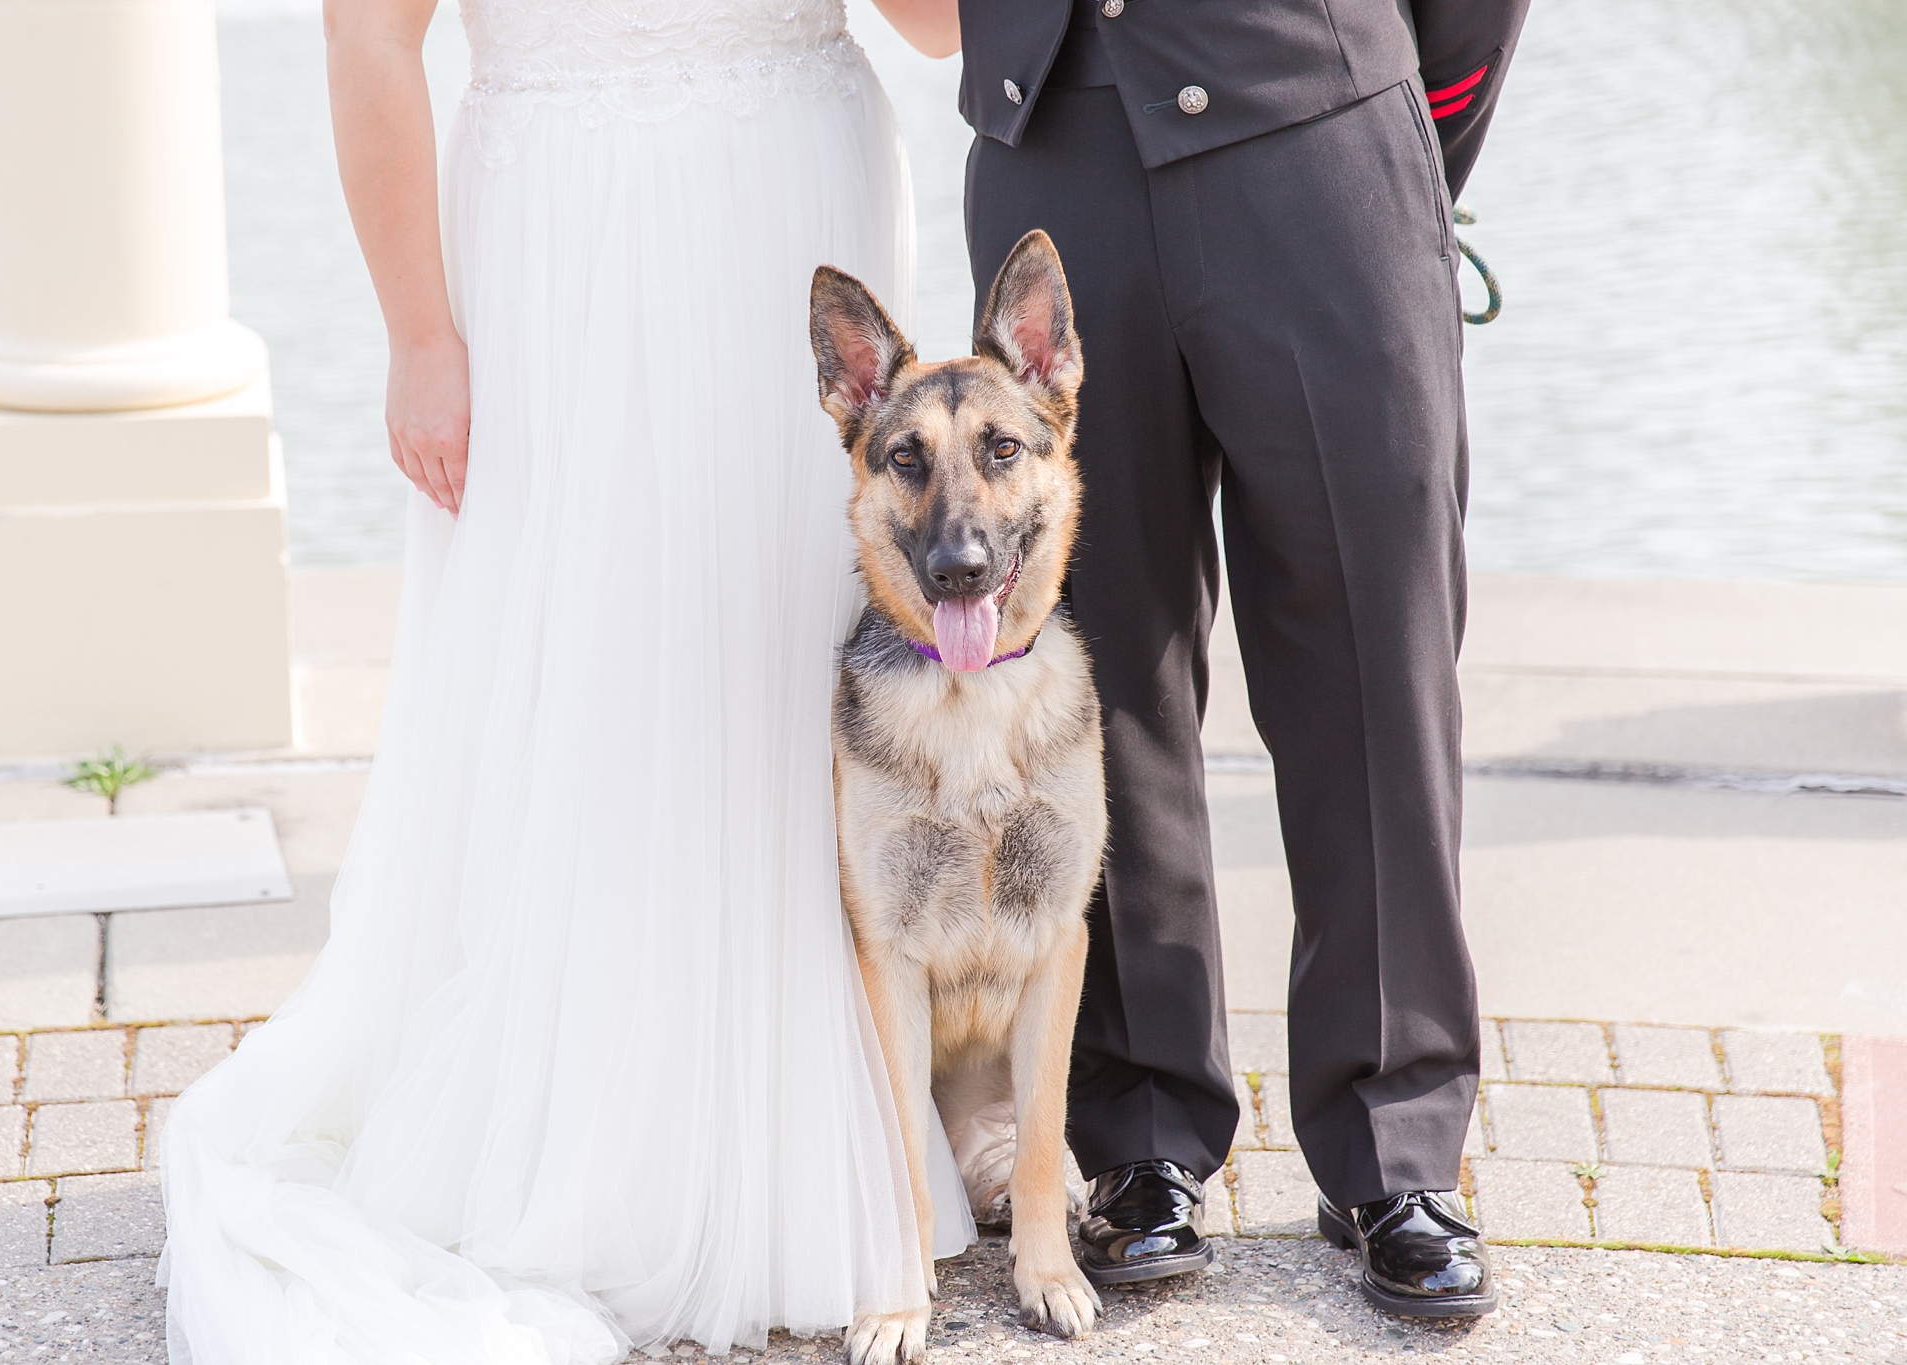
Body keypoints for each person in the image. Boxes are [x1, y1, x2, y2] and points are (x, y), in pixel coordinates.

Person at [155, 0, 973, 1359]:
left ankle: (856, 1101)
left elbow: (939, 28)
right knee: (592, 658)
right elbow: (367, 35)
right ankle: (593, 1129)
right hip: (558, 230)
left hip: (794, 197)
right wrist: (420, 336)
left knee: (791, 648)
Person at [938, 0, 1531, 1318]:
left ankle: (1395, 1146)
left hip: (1316, 137)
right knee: (1094, 670)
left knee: (1373, 657)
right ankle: (1141, 1135)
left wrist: (1385, 141)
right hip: (1055, 154)